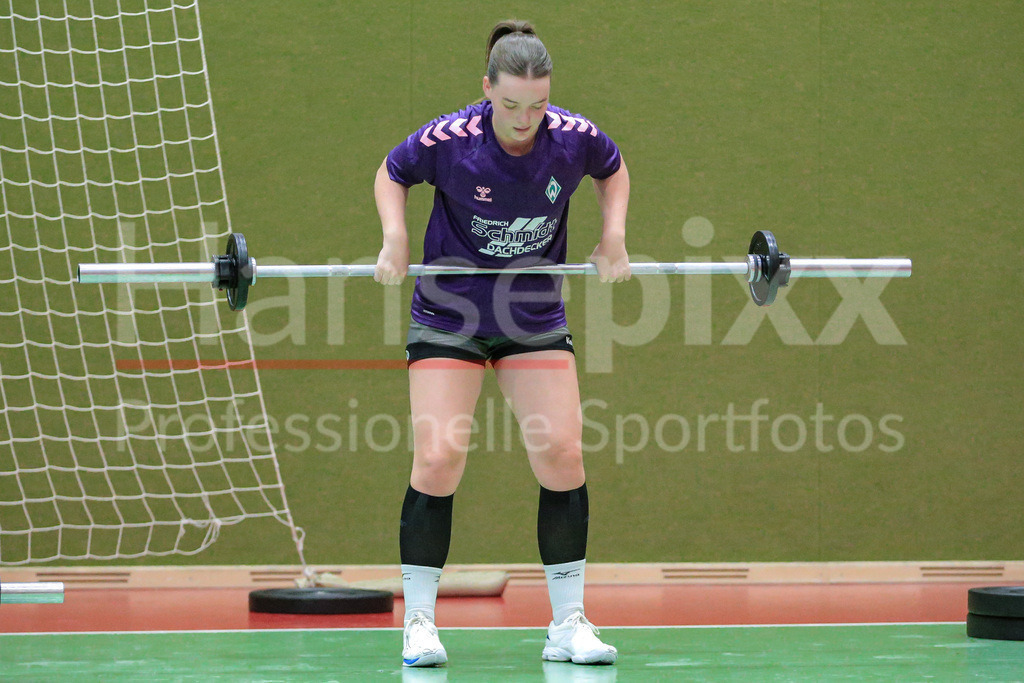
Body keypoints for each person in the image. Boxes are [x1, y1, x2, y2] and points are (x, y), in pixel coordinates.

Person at [374, 19, 630, 668]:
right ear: (487, 89)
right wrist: (395, 237)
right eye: (511, 104)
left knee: (563, 452)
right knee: (437, 458)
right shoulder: (452, 138)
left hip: (532, 314)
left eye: (537, 104)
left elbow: (613, 167)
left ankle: (568, 623)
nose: (524, 119)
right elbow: (392, 171)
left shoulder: (571, 137)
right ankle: (421, 624)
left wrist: (614, 234)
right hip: (450, 312)